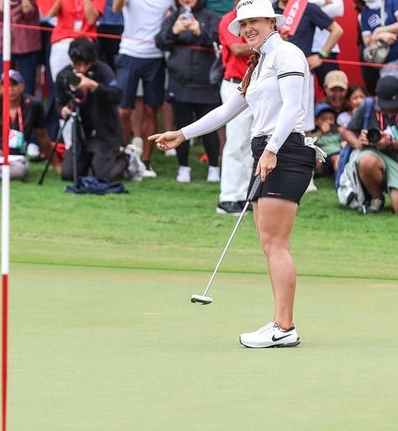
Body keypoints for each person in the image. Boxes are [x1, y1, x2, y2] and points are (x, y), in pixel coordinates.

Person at [151, 0, 320, 348]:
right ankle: (279, 322)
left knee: (276, 244)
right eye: (242, 24)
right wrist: (182, 133)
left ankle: (284, 327)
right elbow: (227, 110)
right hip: (268, 150)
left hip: (285, 151)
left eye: (253, 21)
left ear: (272, 21)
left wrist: (272, 148)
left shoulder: (287, 55)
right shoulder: (258, 64)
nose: (247, 29)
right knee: (268, 243)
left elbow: (293, 108)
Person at [55, 37, 141, 182]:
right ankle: (92, 162)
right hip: (82, 134)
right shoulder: (65, 76)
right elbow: (59, 103)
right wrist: (63, 110)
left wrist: (94, 86)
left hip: (106, 132)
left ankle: (126, 158)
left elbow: (117, 95)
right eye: (78, 65)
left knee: (99, 177)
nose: (82, 69)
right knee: (68, 174)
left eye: (85, 64)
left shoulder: (102, 70)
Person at [155, 0, 222, 183]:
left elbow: (219, 41)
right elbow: (160, 42)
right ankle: (183, 167)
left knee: (210, 128)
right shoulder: (173, 17)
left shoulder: (211, 17)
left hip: (206, 82)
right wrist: (174, 30)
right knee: (182, 127)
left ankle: (214, 168)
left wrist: (199, 30)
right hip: (180, 82)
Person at [341, 76, 398, 214]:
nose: (388, 111)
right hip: (375, 156)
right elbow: (347, 131)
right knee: (366, 160)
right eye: (384, 106)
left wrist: (390, 143)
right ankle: (376, 197)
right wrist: (358, 142)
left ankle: (394, 188)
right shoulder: (368, 104)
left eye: (391, 106)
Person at [113, 0, 174, 178]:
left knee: (150, 109)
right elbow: (116, 8)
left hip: (155, 56)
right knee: (123, 110)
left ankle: (146, 162)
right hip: (129, 53)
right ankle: (122, 157)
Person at [216, 0, 255, 214]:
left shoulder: (258, 20)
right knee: (236, 142)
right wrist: (266, 42)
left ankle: (241, 196)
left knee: (250, 145)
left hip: (254, 86)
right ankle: (227, 197)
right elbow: (237, 48)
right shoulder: (228, 19)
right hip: (235, 86)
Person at [0, 0, 41, 95]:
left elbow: (29, 12)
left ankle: (26, 110)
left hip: (27, 44)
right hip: (2, 44)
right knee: (5, 86)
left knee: (27, 88)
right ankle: (6, 110)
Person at [47, 0, 105, 82]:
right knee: (61, 82)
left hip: (84, 44)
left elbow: (91, 19)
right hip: (62, 42)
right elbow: (51, 13)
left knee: (83, 83)